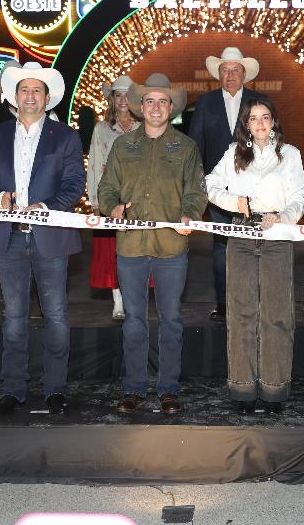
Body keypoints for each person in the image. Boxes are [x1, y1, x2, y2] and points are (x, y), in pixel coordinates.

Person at [0, 62, 85, 417]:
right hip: (8, 238)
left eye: (37, 90)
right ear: (14, 96)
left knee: (56, 315)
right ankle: (13, 389)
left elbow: (75, 185)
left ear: (47, 98)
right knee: (13, 317)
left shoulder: (65, 136)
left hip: (50, 236)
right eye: (24, 89)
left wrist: (45, 206)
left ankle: (55, 389)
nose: (30, 96)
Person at [98, 74, 207, 415]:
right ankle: (133, 388)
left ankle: (168, 389)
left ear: (171, 108)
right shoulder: (123, 146)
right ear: (140, 107)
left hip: (171, 246)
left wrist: (190, 214)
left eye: (162, 101)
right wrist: (112, 208)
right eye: (150, 101)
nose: (156, 107)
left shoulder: (186, 148)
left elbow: (196, 191)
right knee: (133, 320)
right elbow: (106, 188)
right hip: (130, 246)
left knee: (171, 319)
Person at [206, 95, 304, 414]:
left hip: (277, 235)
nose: (260, 123)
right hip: (241, 235)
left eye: (265, 117)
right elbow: (209, 185)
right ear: (246, 125)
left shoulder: (290, 154)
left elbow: (299, 196)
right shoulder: (233, 153)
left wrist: (284, 217)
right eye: (254, 118)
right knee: (241, 314)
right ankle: (243, 389)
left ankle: (275, 389)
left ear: (274, 121)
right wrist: (235, 202)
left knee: (276, 315)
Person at [188, 46, 262, 322]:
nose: (230, 75)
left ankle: (251, 303)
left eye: (235, 70)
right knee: (221, 249)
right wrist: (197, 185)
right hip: (218, 191)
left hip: (254, 191)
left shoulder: (259, 102)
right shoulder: (205, 103)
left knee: (252, 246)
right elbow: (195, 145)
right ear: (218, 75)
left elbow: (272, 142)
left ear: (244, 74)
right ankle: (223, 305)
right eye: (225, 70)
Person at [87, 75, 141, 319]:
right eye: (118, 95)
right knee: (111, 251)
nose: (122, 100)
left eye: (127, 95)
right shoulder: (102, 129)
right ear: (111, 99)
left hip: (138, 196)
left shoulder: (144, 127)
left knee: (138, 248)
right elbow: (94, 164)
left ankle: (134, 297)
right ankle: (117, 300)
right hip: (111, 196)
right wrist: (95, 201)